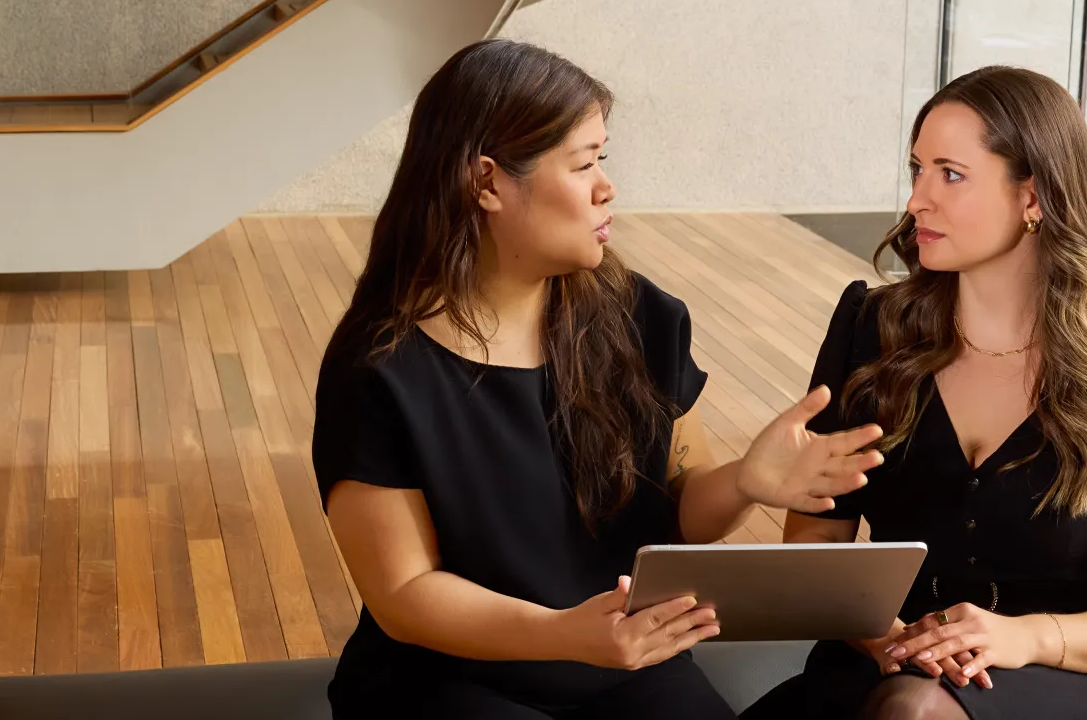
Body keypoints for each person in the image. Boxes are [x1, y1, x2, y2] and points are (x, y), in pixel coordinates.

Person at [311, 39, 883, 720]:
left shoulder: (641, 315)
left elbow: (675, 515)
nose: (606, 187)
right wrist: (564, 634)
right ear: (487, 182)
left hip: (622, 663)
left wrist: (745, 483)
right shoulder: (379, 368)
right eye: (583, 163)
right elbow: (404, 592)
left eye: (601, 160)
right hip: (447, 679)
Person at [741, 65, 1087, 720]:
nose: (916, 200)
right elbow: (815, 542)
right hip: (883, 658)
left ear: (1034, 196)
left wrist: (1021, 636)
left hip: (1056, 669)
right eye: (916, 170)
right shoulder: (869, 330)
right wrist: (886, 637)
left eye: (950, 174)